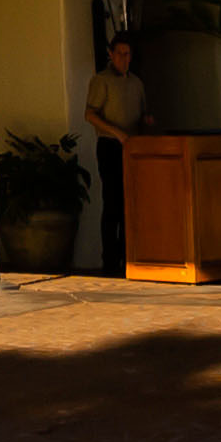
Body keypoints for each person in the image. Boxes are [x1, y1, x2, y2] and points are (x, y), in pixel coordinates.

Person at [83, 34, 146, 273]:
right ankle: (110, 260)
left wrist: (146, 122)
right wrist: (116, 132)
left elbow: (140, 115)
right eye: (119, 54)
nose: (124, 59)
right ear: (111, 54)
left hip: (133, 147)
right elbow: (90, 114)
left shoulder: (137, 83)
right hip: (110, 146)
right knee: (113, 203)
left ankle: (130, 256)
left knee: (132, 203)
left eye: (127, 54)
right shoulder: (101, 81)